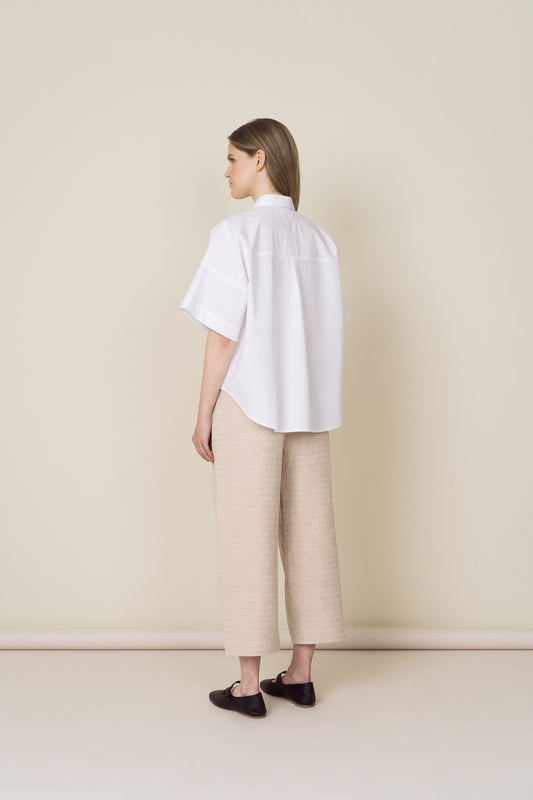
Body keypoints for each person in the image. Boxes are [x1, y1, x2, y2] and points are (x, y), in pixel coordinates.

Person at [179, 117, 350, 718]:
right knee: (310, 534)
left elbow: (224, 335)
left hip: (251, 404)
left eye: (232, 158)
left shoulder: (236, 234)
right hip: (309, 407)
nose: (226, 171)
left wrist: (204, 413)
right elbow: (326, 332)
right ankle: (300, 675)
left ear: (260, 160)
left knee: (246, 536)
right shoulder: (320, 241)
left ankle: (249, 686)